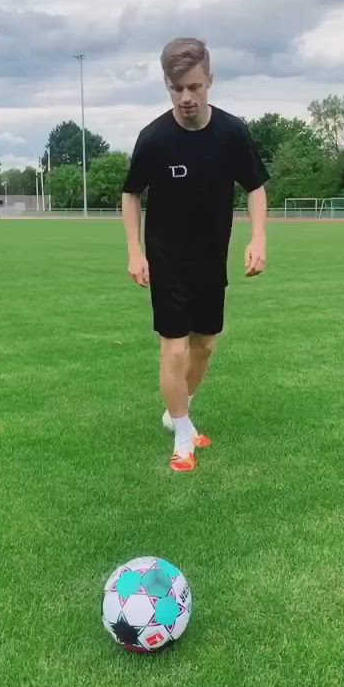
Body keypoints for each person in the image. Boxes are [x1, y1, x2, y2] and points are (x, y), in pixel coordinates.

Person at [121, 37, 269, 473]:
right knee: (175, 348)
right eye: (176, 88)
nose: (186, 98)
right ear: (167, 86)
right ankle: (184, 435)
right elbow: (131, 194)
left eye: (194, 87)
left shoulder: (231, 132)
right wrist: (134, 251)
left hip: (211, 259)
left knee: (205, 344)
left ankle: (177, 409)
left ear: (209, 81)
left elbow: (256, 187)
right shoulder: (153, 138)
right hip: (166, 258)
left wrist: (258, 238)